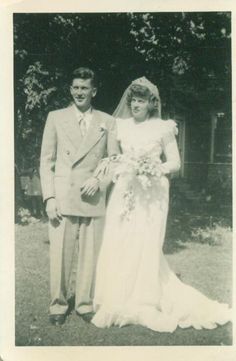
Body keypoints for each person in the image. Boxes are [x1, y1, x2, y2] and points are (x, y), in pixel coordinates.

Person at [91, 77, 231, 332]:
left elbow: (175, 163)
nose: (135, 104)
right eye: (133, 99)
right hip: (125, 191)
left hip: (152, 194)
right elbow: (113, 158)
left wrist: (154, 168)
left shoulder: (163, 128)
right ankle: (117, 297)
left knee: (145, 243)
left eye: (141, 100)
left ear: (151, 104)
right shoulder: (121, 126)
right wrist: (126, 167)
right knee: (119, 240)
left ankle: (143, 298)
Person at [40, 67, 120, 325]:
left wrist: (99, 180)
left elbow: (114, 160)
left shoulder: (107, 122)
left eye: (84, 88)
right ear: (70, 89)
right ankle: (58, 305)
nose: (79, 93)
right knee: (60, 256)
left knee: (89, 255)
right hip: (63, 198)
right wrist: (49, 198)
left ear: (93, 91)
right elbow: (46, 161)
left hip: (92, 198)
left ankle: (85, 303)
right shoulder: (55, 117)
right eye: (75, 87)